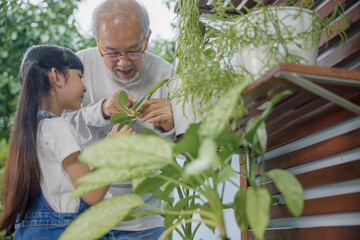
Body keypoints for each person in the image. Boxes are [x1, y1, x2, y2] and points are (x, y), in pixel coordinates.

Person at [62, 0, 194, 239]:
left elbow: (188, 155)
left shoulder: (167, 76)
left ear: (147, 38)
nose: (123, 62)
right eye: (112, 52)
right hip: (86, 215)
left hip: (144, 221)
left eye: (133, 50)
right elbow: (58, 131)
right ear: (98, 43)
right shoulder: (79, 68)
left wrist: (171, 127)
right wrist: (100, 110)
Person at [0, 45, 134, 239]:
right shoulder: (58, 128)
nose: (84, 87)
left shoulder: (30, 129)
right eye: (79, 76)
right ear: (56, 76)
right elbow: (93, 193)